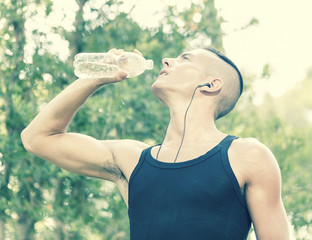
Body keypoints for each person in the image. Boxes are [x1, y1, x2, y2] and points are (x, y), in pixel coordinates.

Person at [21, 47, 290, 240]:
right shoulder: (132, 160)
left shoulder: (248, 156)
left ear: (211, 84)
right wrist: (95, 77)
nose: (167, 60)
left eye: (185, 58)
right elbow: (37, 138)